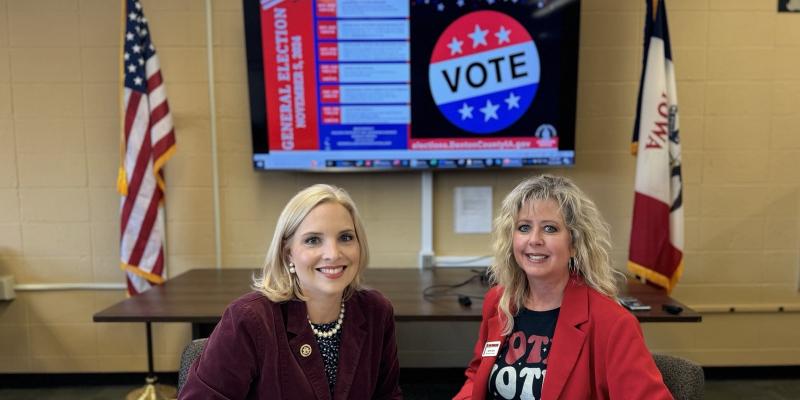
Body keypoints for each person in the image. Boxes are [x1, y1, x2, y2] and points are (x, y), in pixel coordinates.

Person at [453, 175, 672, 400]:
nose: (534, 239)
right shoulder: (499, 301)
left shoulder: (613, 323)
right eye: (524, 227)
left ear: (575, 244)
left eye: (550, 229)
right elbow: (478, 374)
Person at [180, 184, 402, 399]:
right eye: (313, 240)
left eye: (345, 237)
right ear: (288, 254)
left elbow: (388, 395)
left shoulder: (376, 312)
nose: (333, 254)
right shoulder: (250, 319)